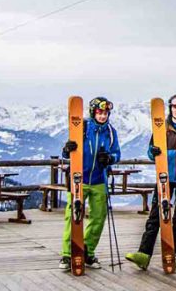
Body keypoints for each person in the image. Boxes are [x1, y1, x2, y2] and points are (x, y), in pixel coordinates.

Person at [126, 94, 176, 271]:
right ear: (171, 109)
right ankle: (144, 254)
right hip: (164, 177)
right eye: (175, 107)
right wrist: (152, 152)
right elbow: (150, 152)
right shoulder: (161, 127)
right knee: (155, 216)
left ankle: (172, 253)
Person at [59, 96, 121, 270]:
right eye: (100, 112)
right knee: (73, 216)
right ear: (93, 112)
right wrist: (66, 150)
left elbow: (117, 154)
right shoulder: (82, 127)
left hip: (99, 180)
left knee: (98, 218)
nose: (103, 116)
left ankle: (87, 251)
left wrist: (109, 158)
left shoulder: (110, 131)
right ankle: (67, 254)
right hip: (79, 178)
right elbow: (67, 153)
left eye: (105, 113)